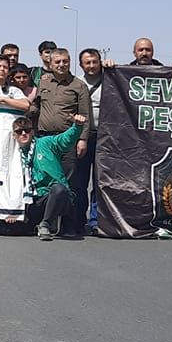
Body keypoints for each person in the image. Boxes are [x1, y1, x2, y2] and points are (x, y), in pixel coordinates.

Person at [15, 113, 86, 240]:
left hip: (53, 196)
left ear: (33, 132)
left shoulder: (46, 143)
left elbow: (65, 139)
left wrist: (77, 126)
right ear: (14, 135)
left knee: (59, 189)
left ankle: (46, 223)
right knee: (10, 230)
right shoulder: (13, 154)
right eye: (19, 131)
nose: (23, 134)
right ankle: (33, 223)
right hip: (31, 200)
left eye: (27, 130)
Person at [68, 48, 104, 236]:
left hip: (105, 138)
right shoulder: (76, 83)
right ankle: (78, 221)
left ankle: (96, 220)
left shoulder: (112, 81)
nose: (91, 66)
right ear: (81, 65)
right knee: (80, 182)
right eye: (87, 63)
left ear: (100, 62)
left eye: (94, 62)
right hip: (82, 137)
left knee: (99, 182)